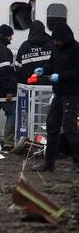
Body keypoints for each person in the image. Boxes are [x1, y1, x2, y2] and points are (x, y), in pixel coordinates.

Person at [33, 23, 79, 173]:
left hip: (72, 93)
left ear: (65, 38)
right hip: (59, 93)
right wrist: (44, 70)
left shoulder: (76, 49)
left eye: (58, 40)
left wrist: (61, 77)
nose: (55, 43)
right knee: (52, 124)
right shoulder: (56, 49)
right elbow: (51, 65)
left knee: (69, 127)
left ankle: (77, 162)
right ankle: (49, 163)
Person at [16, 20, 54, 84]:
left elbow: (18, 67)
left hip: (28, 85)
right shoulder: (51, 44)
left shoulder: (24, 46)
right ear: (43, 29)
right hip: (47, 85)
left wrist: (19, 82)